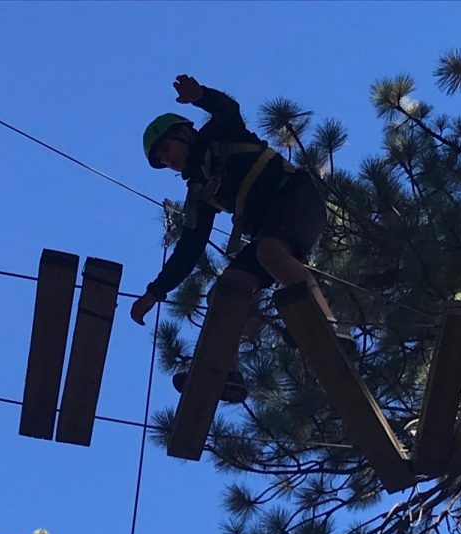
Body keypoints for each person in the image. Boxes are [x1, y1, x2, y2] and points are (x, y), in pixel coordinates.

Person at [131, 75, 349, 403]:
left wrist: (199, 95)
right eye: (161, 160)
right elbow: (189, 249)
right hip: (270, 232)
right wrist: (154, 292)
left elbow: (227, 109)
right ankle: (224, 372)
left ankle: (326, 326)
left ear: (184, 133)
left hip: (297, 199)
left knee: (270, 251)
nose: (167, 159)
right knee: (226, 288)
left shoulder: (222, 134)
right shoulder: (201, 193)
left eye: (166, 148)